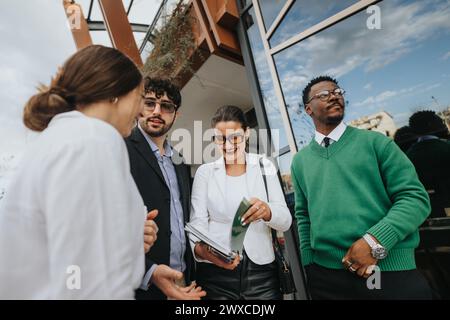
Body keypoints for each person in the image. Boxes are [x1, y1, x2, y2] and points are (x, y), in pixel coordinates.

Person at [0, 45, 158, 299]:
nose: (141, 111)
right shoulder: (95, 139)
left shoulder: (59, 138)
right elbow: (89, 283)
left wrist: (129, 237)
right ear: (115, 93)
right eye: (139, 97)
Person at [291, 75, 432, 300]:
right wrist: (309, 264)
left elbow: (414, 198)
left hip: (386, 271)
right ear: (308, 109)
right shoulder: (300, 161)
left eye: (338, 92)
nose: (334, 97)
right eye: (324, 94)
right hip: (326, 278)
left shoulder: (376, 143)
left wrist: (375, 241)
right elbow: (303, 215)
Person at [189, 105, 292, 300]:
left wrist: (267, 211)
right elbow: (197, 224)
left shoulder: (264, 165)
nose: (228, 145)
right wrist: (204, 252)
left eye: (235, 137)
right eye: (220, 138)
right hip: (216, 273)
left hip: (261, 273)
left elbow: (285, 220)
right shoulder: (205, 172)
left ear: (247, 133)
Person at [125, 77, 205, 300]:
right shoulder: (119, 148)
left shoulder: (180, 162)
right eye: (150, 103)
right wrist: (148, 272)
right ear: (139, 106)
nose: (157, 111)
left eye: (166, 106)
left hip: (184, 280)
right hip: (142, 285)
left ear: (176, 114)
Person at [407, 110, 450, 218]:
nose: (444, 124)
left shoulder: (407, 156)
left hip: (429, 210)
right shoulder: (446, 147)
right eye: (440, 122)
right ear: (431, 125)